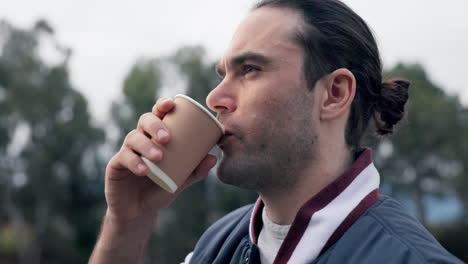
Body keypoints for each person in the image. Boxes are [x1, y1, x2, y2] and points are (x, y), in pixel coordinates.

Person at [89, 0, 462, 263]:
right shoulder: (216, 247)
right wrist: (128, 223)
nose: (216, 97)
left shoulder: (408, 259)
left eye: (249, 69)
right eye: (224, 75)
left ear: (334, 94)